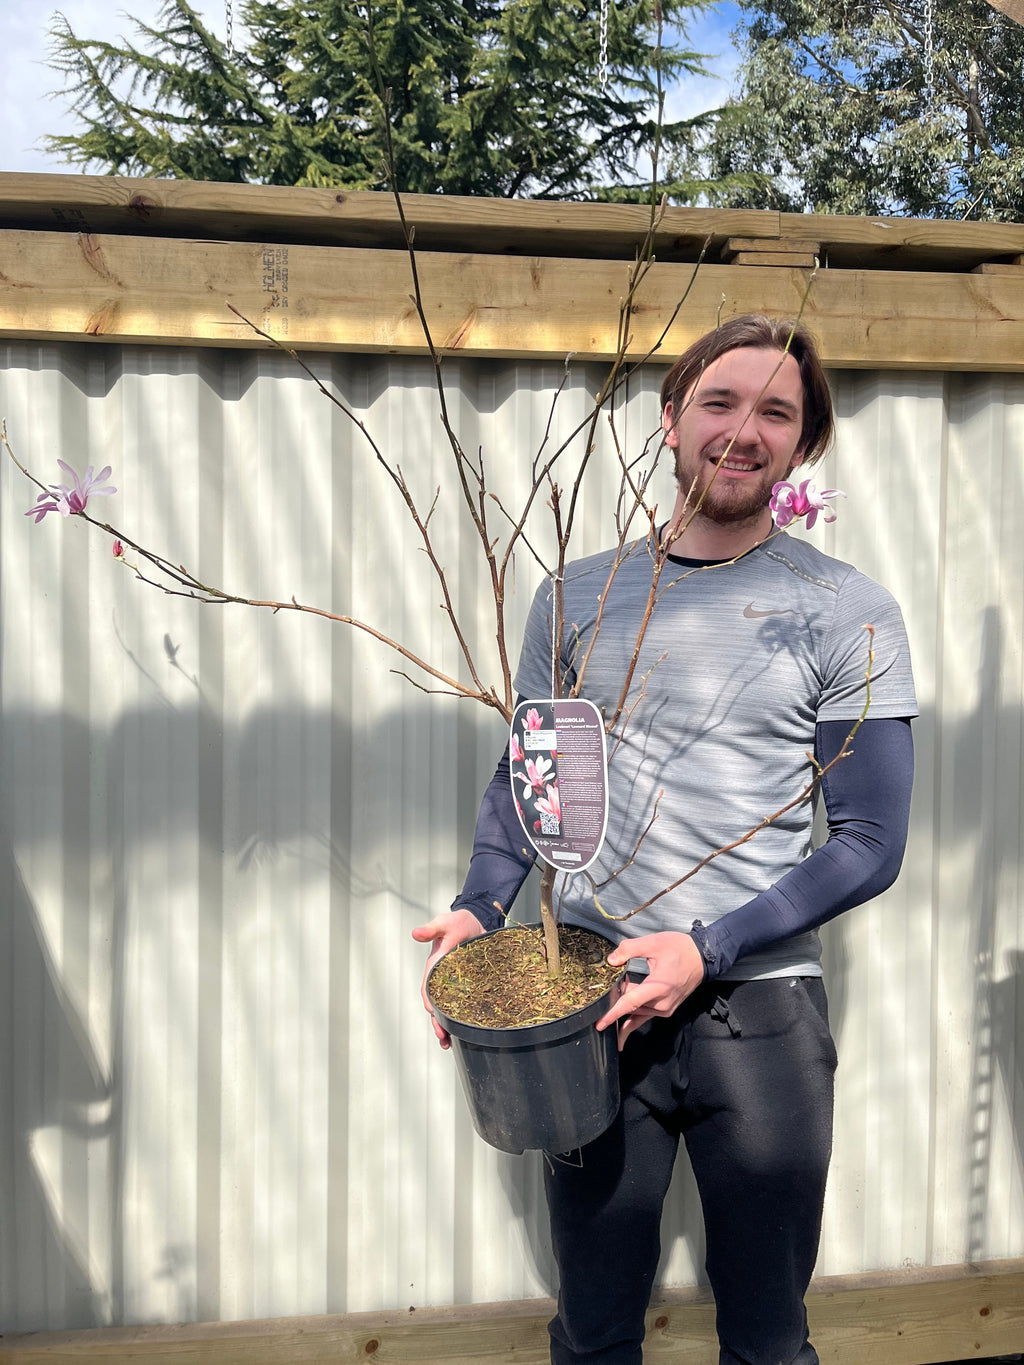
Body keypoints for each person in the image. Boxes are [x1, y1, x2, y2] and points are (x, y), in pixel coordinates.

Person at [413, 314, 917, 1365]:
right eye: (720, 402)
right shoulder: (578, 594)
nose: (744, 430)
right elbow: (529, 773)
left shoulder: (845, 611)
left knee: (769, 1338)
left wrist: (709, 945)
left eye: (776, 411)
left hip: (763, 1020)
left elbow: (868, 839)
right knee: (593, 1329)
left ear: (804, 444)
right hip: (593, 1016)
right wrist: (479, 903)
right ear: (669, 419)